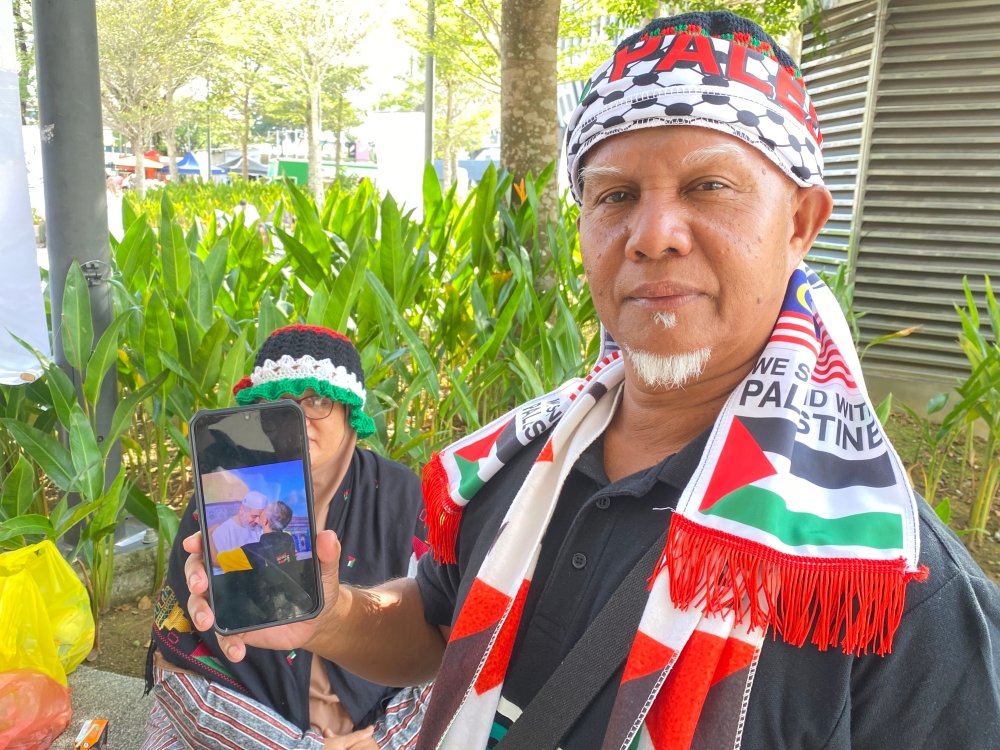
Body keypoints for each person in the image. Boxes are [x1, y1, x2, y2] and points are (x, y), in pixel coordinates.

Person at [181, 12, 1000, 750]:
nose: (653, 235)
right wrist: (330, 614)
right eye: (615, 195)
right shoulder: (522, 458)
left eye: (707, 186)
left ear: (800, 223)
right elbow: (438, 628)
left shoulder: (889, 582)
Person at [142, 325, 430, 750]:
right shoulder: (221, 485)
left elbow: (448, 644)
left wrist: (384, 741)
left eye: (315, 400)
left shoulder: (402, 495)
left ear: (350, 412)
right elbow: (179, 665)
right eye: (280, 404)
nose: (296, 419)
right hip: (241, 732)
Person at [217, 501, 298, 573]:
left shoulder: (250, 552)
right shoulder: (288, 538)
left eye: (265, 509)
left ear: (265, 521)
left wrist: (210, 533)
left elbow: (216, 561)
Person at [209, 490, 267, 564]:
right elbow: (217, 564)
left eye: (260, 517)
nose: (257, 521)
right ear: (241, 510)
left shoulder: (261, 530)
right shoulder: (221, 533)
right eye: (254, 516)